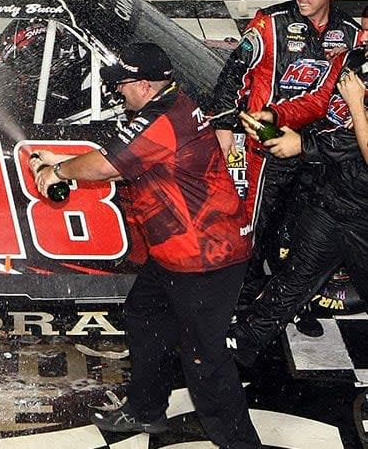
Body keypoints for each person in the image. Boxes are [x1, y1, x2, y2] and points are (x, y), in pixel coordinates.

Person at [32, 43, 259, 447]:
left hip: (207, 258)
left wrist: (57, 170)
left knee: (204, 360)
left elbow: (108, 166)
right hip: (178, 254)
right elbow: (127, 160)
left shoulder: (162, 120)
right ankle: (146, 410)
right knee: (144, 315)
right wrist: (58, 159)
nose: (118, 92)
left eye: (121, 85)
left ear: (143, 85)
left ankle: (241, 444)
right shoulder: (171, 104)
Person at [209, 0, 361, 336]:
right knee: (255, 227)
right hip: (267, 148)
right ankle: (239, 305)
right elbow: (233, 73)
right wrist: (227, 126)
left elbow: (335, 97)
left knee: (301, 230)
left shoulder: (350, 33)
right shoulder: (269, 22)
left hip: (318, 150)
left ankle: (293, 301)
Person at [228, 47, 368, 366]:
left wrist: (356, 109)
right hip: (332, 199)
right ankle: (243, 343)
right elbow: (319, 109)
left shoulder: (357, 89)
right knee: (295, 277)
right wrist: (276, 121)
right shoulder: (355, 61)